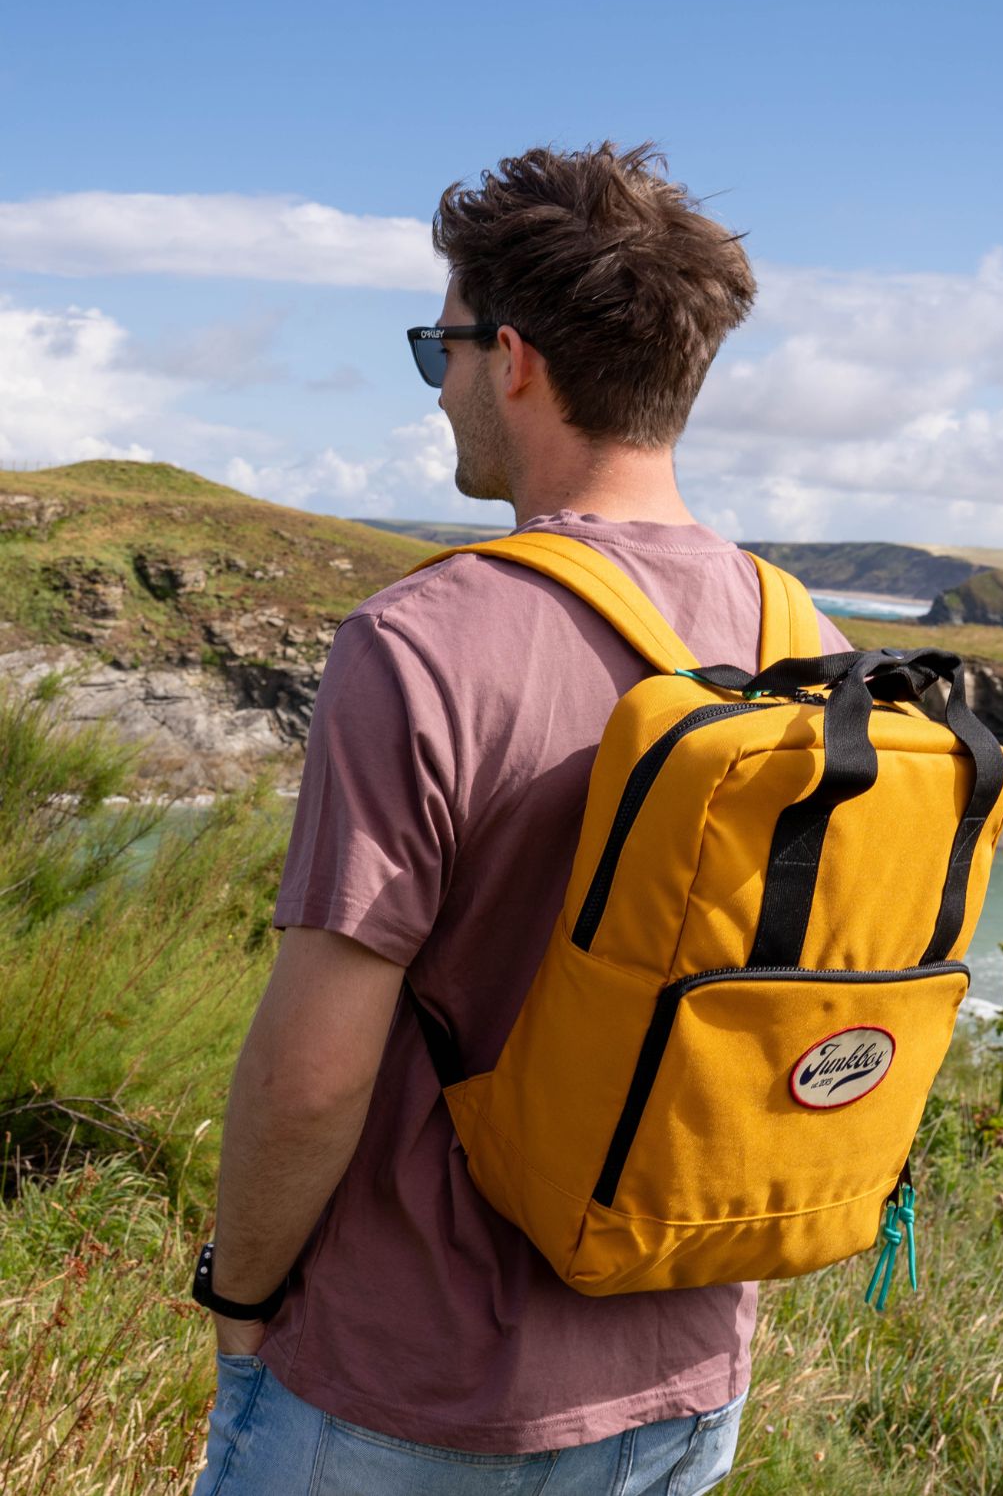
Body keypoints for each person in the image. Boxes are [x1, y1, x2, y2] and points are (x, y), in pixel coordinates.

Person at [190, 141, 849, 1496]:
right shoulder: (816, 647)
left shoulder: (420, 642)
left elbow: (315, 1071)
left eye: (440, 352)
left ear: (518, 360)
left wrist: (239, 1293)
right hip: (687, 1379)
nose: (440, 394)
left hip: (407, 1393)